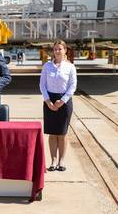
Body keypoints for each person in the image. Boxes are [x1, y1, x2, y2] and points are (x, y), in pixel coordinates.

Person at [39, 40, 77, 172]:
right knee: (52, 133)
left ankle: (62, 160)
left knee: (62, 133)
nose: (57, 51)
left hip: (64, 102)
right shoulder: (47, 66)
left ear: (65, 50)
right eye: (55, 49)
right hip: (49, 100)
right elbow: (42, 85)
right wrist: (48, 101)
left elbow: (73, 86)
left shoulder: (70, 67)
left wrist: (62, 101)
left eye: (60, 49)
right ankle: (53, 160)